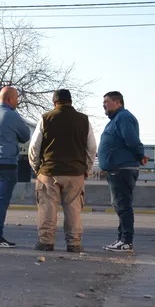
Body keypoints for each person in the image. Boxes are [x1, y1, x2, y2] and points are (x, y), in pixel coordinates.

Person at [28, 89, 97, 252]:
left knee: (47, 207)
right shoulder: (83, 120)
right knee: (73, 208)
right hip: (75, 173)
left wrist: (37, 168)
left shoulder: (46, 118)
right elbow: (92, 148)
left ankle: (46, 241)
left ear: (54, 103)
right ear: (71, 102)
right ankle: (73, 243)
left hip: (49, 172)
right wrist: (85, 168)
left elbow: (34, 147)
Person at [0, 86, 31, 248]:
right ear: (10, 99)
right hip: (5, 164)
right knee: (2, 202)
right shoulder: (12, 115)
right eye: (16, 98)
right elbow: (25, 136)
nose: (17, 101)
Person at [98, 91, 147, 252]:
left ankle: (126, 241)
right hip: (117, 169)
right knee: (120, 205)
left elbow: (131, 139)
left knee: (123, 205)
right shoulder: (117, 119)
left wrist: (140, 154)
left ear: (118, 102)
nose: (103, 105)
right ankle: (121, 240)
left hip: (122, 169)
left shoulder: (123, 117)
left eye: (106, 101)